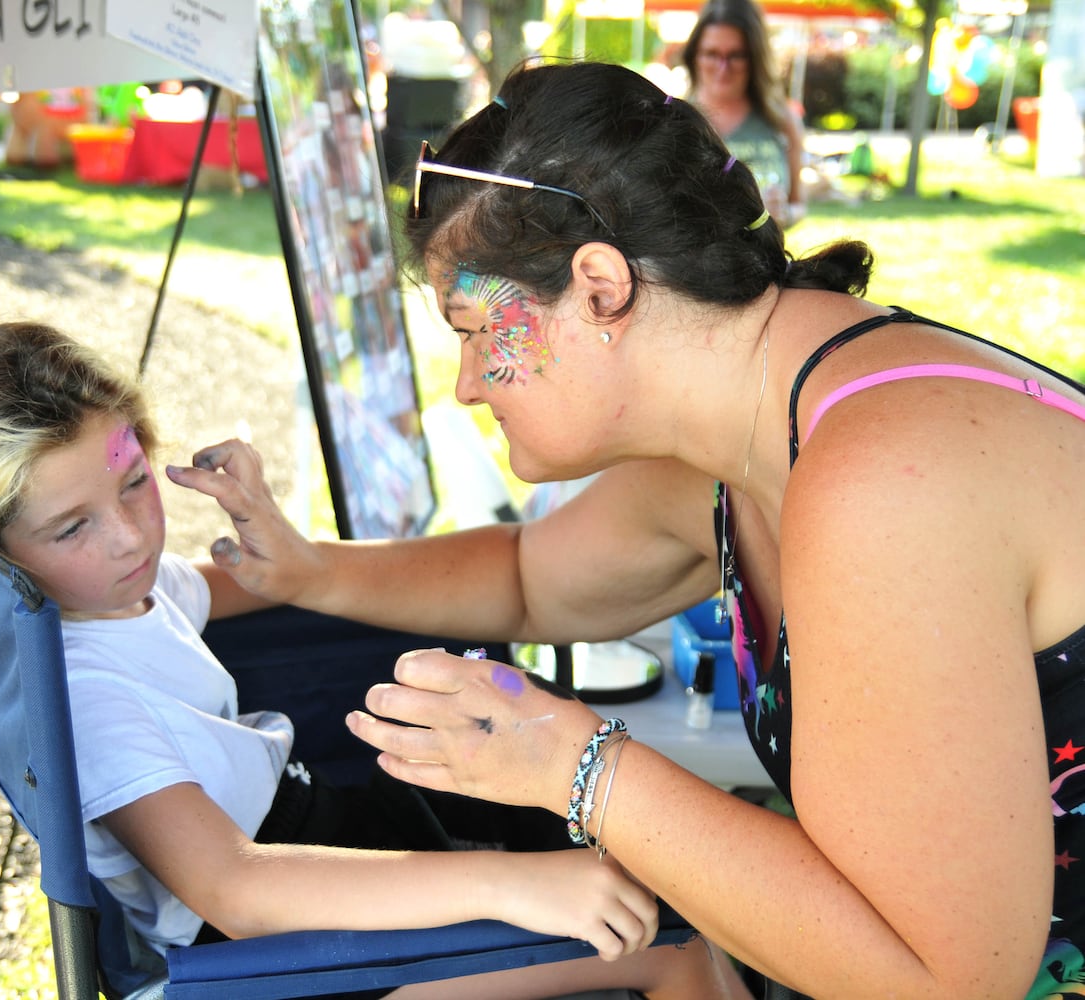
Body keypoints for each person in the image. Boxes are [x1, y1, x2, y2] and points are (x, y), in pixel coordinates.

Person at [169, 60, 1085, 999]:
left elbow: (943, 982)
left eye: (479, 329)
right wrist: (309, 572)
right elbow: (533, 578)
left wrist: (576, 765)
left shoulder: (882, 483)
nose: (467, 382)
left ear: (600, 287)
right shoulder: (750, 431)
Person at [0, 322, 752, 1000]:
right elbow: (233, 891)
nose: (128, 534)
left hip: (317, 819)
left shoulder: (120, 588)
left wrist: (269, 536)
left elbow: (245, 581)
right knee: (669, 945)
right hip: (272, 960)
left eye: (132, 481)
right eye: (71, 525)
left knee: (634, 866)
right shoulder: (89, 698)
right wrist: (516, 883)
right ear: (0, 552)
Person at [682, 0, 805, 229]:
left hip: (766, 263)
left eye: (736, 55)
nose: (723, 67)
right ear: (694, 56)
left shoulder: (782, 121)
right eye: (711, 54)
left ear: (755, 59)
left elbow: (799, 205)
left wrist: (785, 214)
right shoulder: (674, 122)